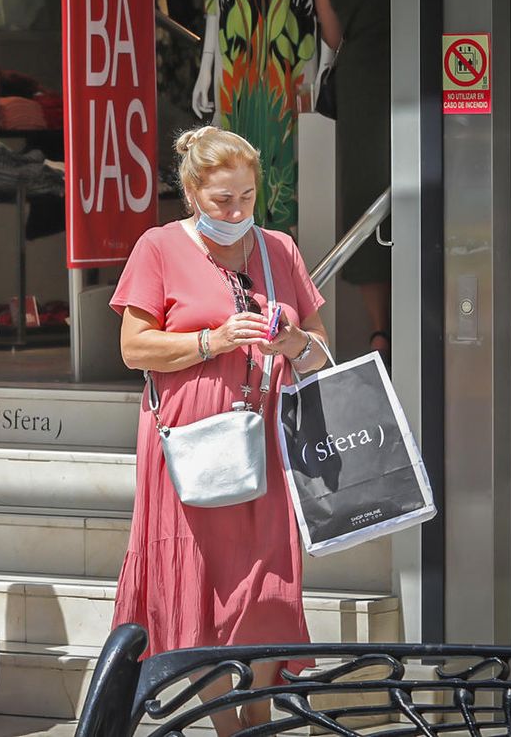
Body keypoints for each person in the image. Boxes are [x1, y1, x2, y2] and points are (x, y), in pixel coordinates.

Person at [110, 126, 329, 737]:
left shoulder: (279, 249)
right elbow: (133, 347)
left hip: (267, 442)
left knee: (268, 587)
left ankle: (258, 714)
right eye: (222, 200)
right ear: (192, 194)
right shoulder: (158, 247)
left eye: (247, 197)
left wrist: (295, 343)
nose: (236, 212)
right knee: (197, 585)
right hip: (189, 444)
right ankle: (226, 725)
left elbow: (321, 351)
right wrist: (212, 340)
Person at [315, 0, 392, 360]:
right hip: (414, 77)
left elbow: (332, 35)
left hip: (362, 88)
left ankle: (379, 331)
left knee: (367, 199)